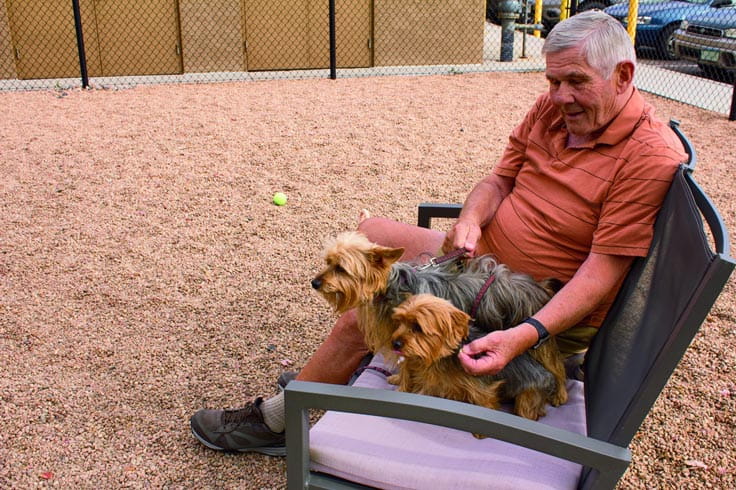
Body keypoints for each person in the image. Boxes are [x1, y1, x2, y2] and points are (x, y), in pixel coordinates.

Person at [189, 10, 687, 456]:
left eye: (575, 82)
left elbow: (604, 271)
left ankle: (278, 420)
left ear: (624, 75)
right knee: (369, 233)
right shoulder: (553, 109)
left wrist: (523, 336)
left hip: (521, 298)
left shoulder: (648, 154)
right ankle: (335, 371)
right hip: (484, 261)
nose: (559, 97)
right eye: (553, 81)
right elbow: (499, 180)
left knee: (368, 302)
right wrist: (469, 220)